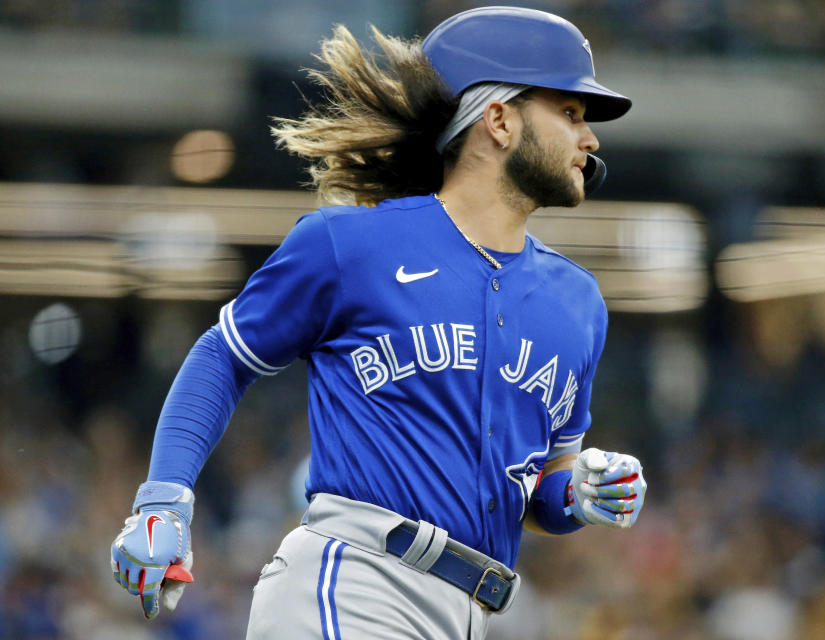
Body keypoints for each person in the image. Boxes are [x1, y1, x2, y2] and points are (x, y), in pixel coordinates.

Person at [110, 6, 647, 639]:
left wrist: (579, 496)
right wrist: (164, 496)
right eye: (571, 113)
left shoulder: (577, 302)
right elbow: (225, 356)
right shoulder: (352, 244)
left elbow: (536, 492)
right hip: (355, 581)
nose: (591, 139)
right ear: (498, 120)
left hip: (472, 610)